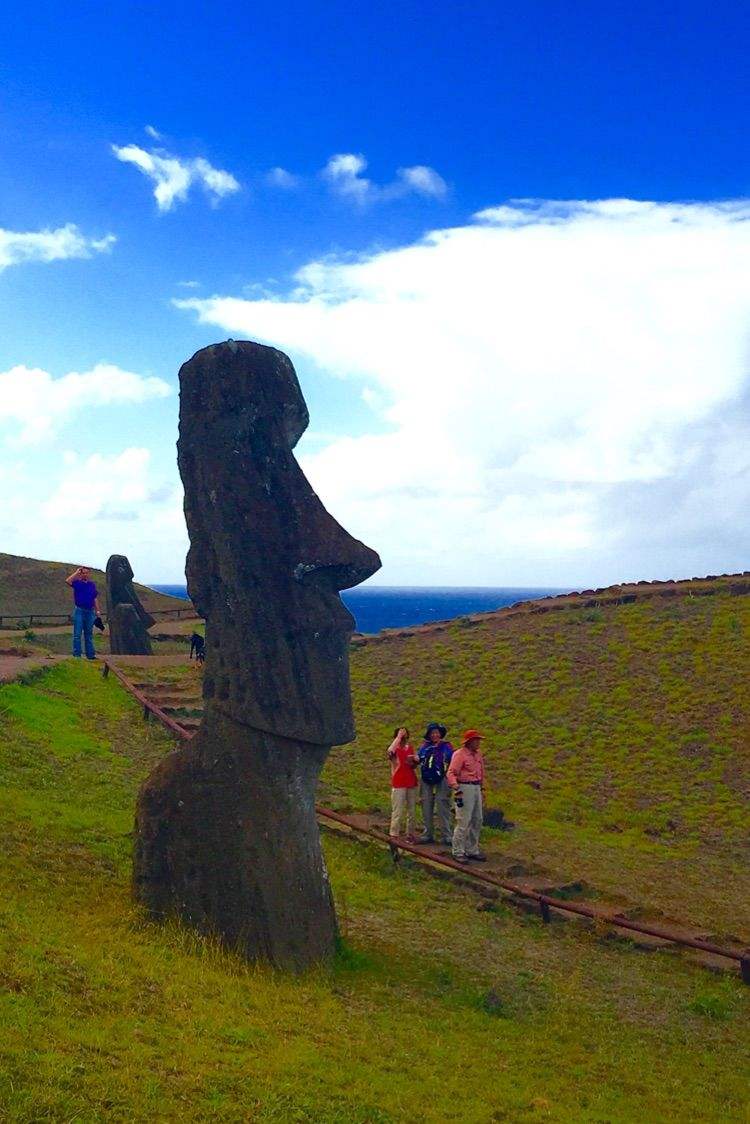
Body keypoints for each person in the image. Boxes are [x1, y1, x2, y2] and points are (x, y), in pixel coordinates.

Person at [447, 729, 487, 863]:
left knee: (477, 819)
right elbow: (451, 772)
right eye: (476, 740)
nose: (478, 743)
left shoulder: (478, 755)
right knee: (463, 819)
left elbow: (481, 772)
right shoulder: (459, 754)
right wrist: (456, 787)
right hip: (464, 786)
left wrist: (482, 788)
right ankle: (458, 850)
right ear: (469, 742)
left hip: (476, 787)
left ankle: (472, 849)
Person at [416, 722, 454, 845]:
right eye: (432, 733)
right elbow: (419, 758)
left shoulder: (446, 746)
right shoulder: (424, 746)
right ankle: (428, 833)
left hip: (443, 777)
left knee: (442, 804)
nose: (435, 735)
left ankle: (446, 835)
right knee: (426, 804)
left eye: (437, 733)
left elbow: (451, 759)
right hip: (426, 777)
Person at [387, 726, 419, 840]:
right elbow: (390, 751)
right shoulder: (395, 749)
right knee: (398, 810)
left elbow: (414, 765)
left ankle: (410, 834)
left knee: (412, 811)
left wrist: (414, 760)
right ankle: (394, 834)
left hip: (410, 781)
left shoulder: (409, 748)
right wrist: (398, 737)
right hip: (399, 782)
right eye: (401, 734)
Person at [65, 566, 102, 660]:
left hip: (90, 611)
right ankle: (77, 655)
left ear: (89, 574)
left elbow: (95, 598)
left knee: (89, 634)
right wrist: (76, 572)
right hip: (80, 610)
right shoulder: (77, 583)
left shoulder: (91, 585)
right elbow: (68, 581)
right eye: (83, 573)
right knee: (77, 634)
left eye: (87, 573)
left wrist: (97, 611)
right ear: (80, 574)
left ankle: (90, 655)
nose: (85, 574)